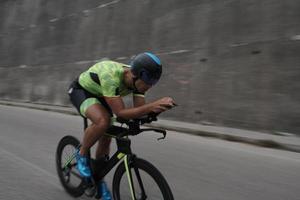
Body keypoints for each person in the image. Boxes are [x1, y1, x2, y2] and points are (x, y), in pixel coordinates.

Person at [68, 52, 175, 197]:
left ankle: (98, 181)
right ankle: (81, 155)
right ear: (137, 75)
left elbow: (138, 112)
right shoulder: (111, 76)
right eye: (148, 83)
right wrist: (151, 106)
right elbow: (121, 113)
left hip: (104, 95)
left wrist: (156, 110)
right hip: (82, 91)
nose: (149, 87)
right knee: (103, 121)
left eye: (153, 83)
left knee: (107, 135)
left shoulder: (138, 85)